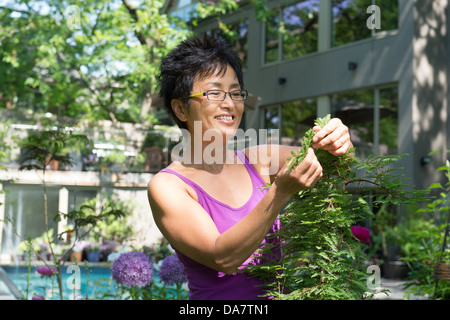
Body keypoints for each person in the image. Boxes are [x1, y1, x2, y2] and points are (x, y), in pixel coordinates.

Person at [147, 33, 353, 300]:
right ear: (181, 109)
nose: (230, 103)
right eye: (214, 92)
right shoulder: (168, 186)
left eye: (235, 92)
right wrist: (280, 192)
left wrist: (339, 140)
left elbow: (334, 163)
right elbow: (223, 257)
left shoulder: (259, 159)